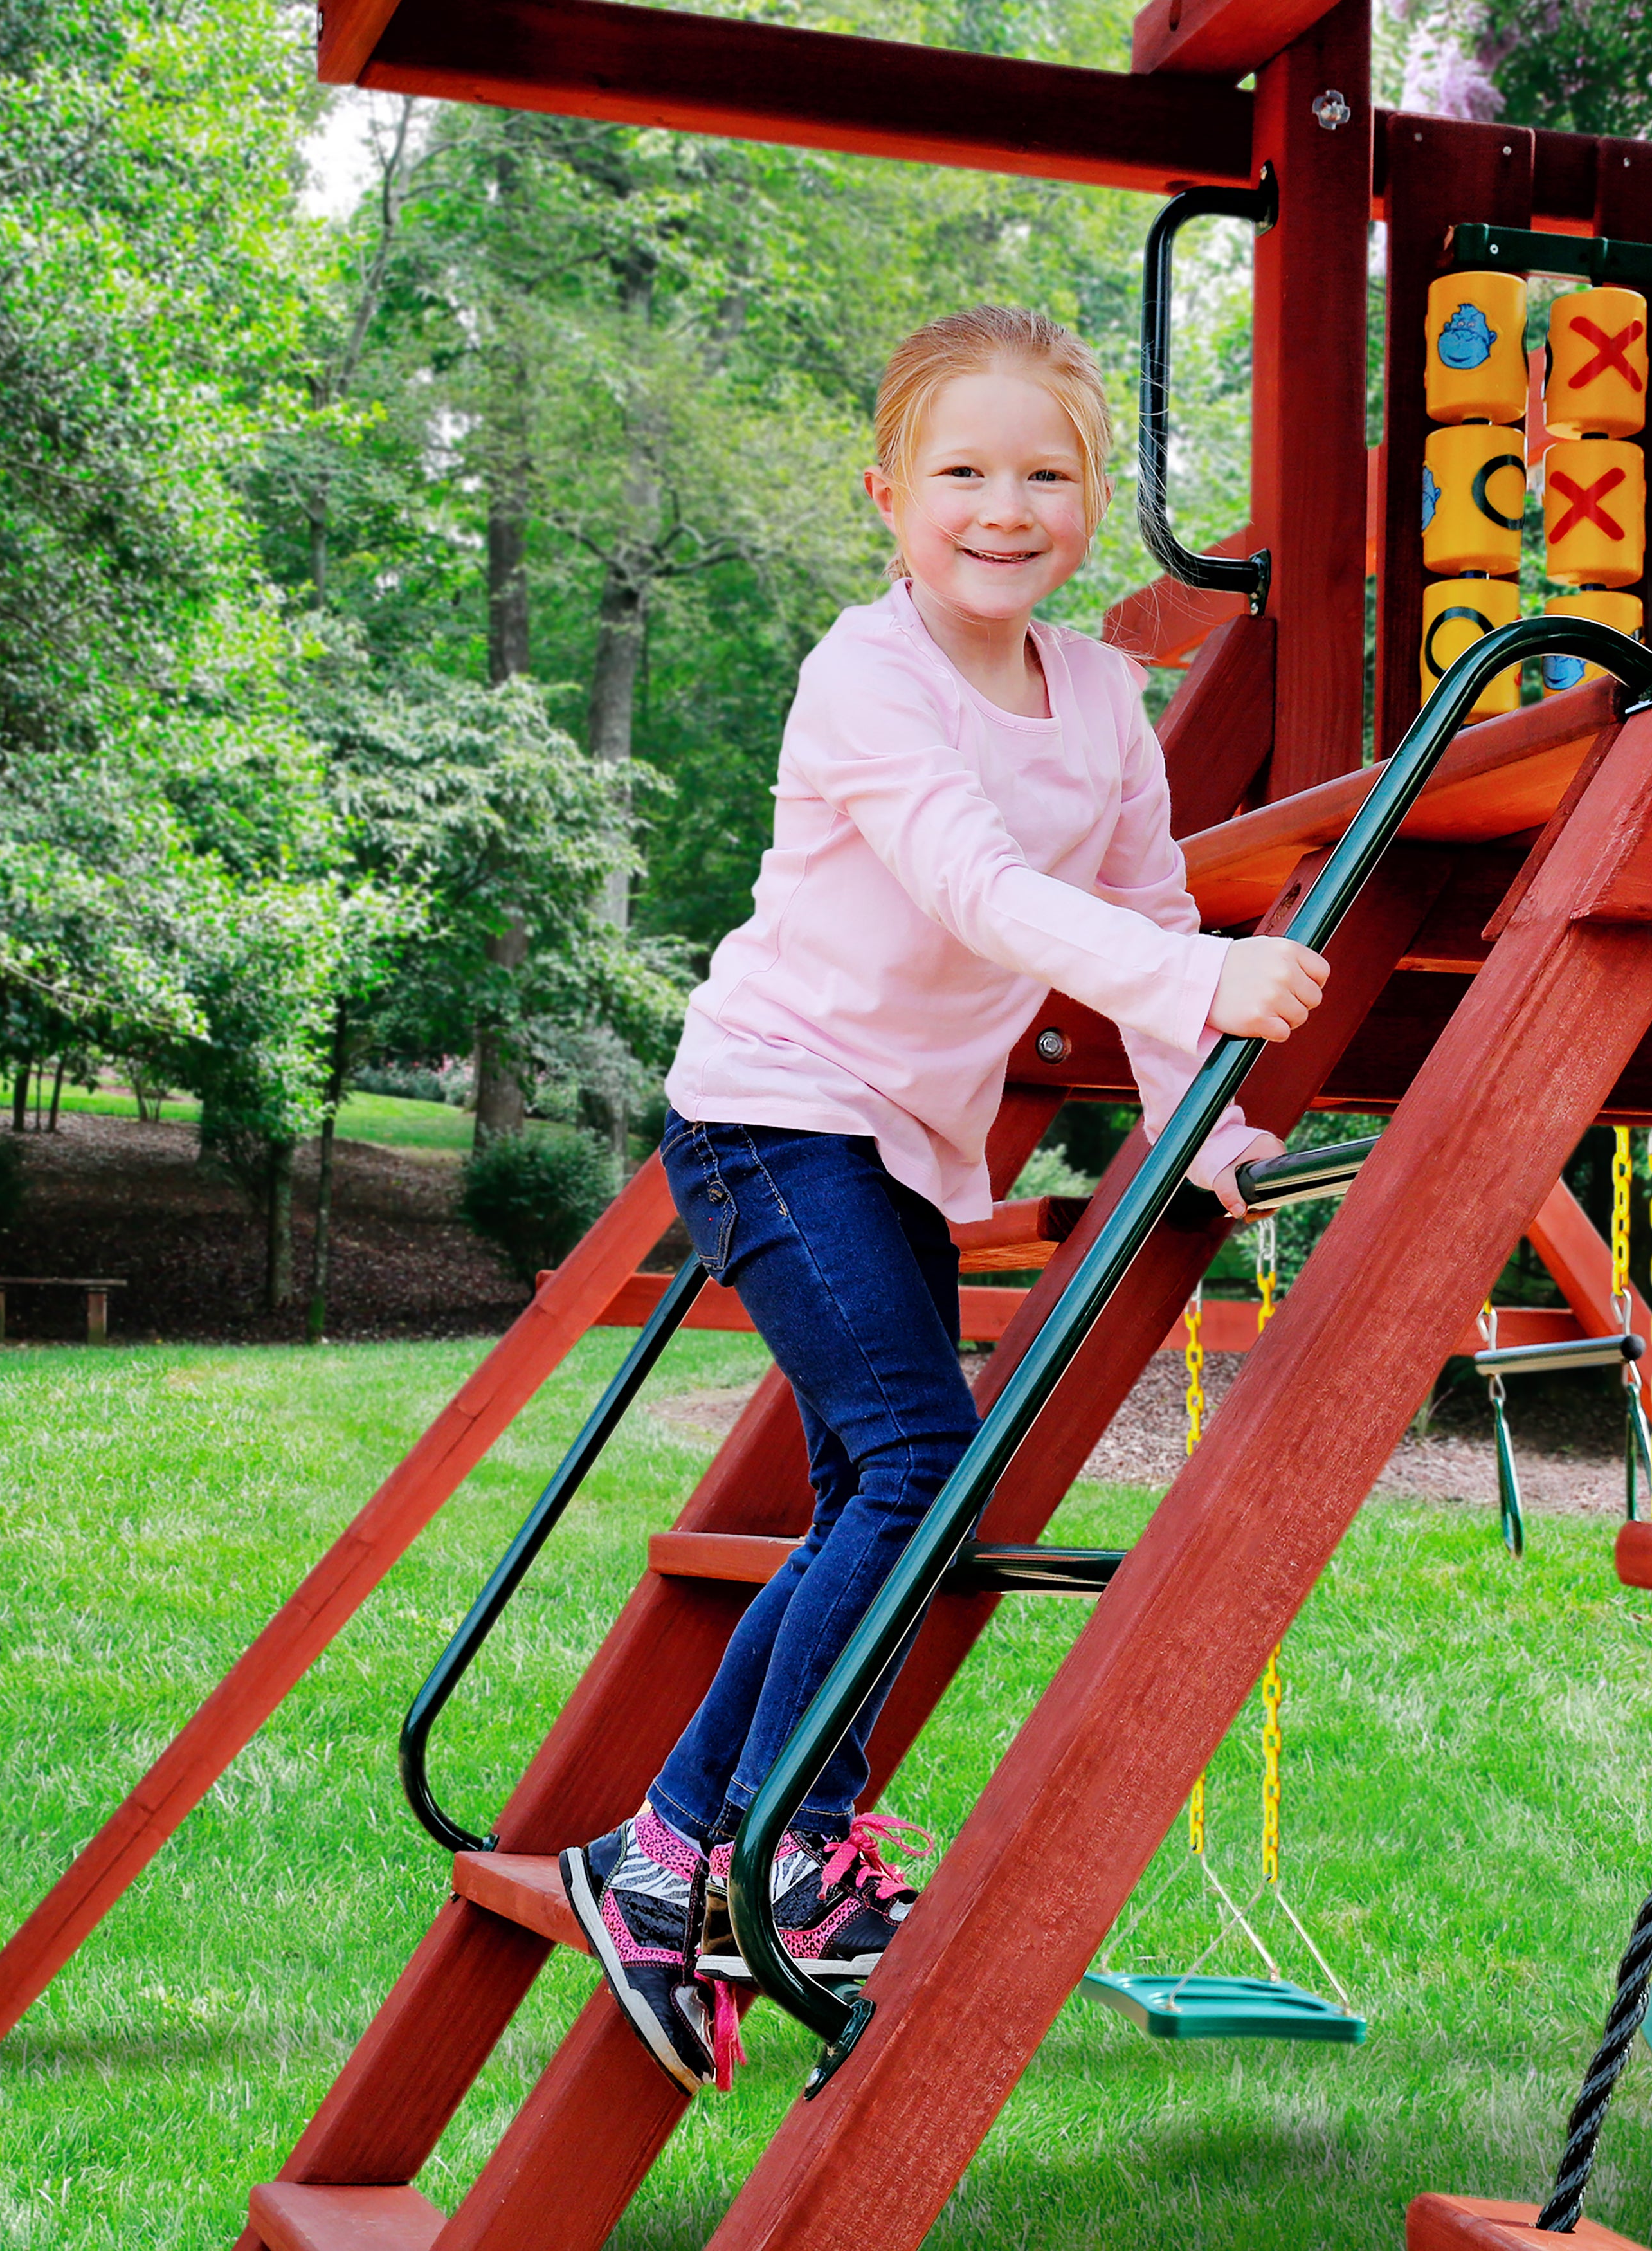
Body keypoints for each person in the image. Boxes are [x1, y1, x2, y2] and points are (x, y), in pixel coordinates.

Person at [559, 304, 1330, 2093]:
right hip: (766, 1110)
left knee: (881, 1490)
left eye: (1045, 473)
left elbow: (1145, 928)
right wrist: (1207, 988)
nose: (1005, 505)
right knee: (917, 1469)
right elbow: (979, 890)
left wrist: (1197, 1132)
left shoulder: (1101, 702)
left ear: (1093, 503)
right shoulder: (864, 677)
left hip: (895, 1142)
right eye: (962, 472)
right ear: (886, 496)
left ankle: (690, 1857)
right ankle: (740, 1842)